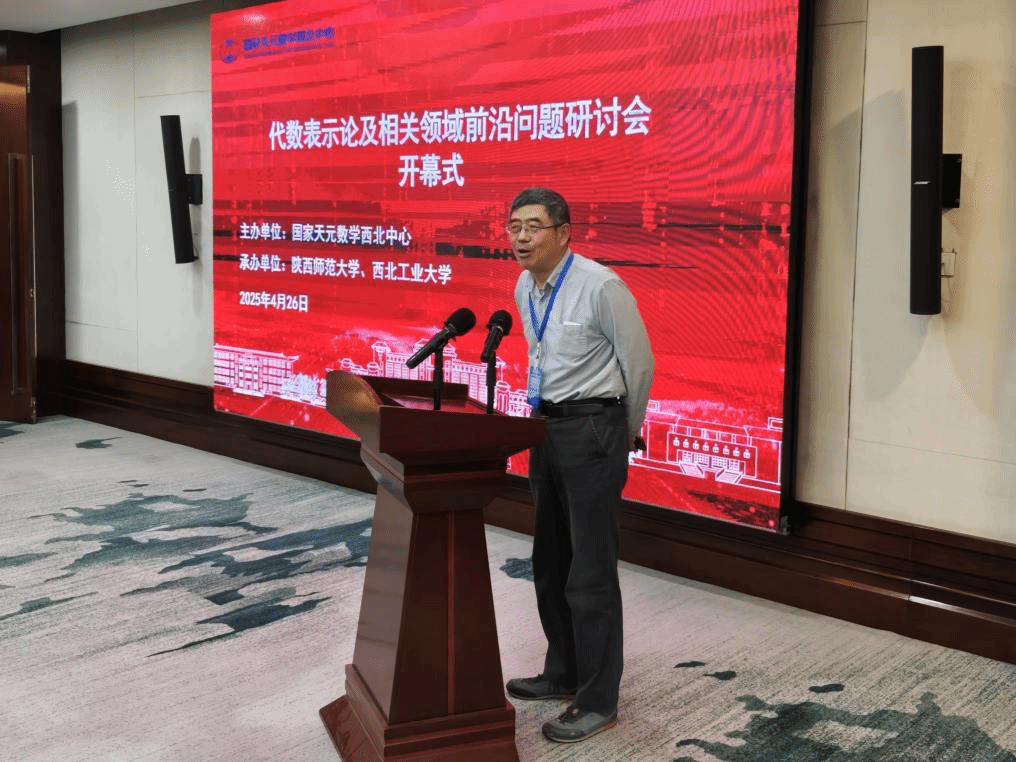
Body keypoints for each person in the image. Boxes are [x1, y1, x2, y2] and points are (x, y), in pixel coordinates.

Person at [504, 187, 654, 744]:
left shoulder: (600, 285)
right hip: (544, 427)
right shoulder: (524, 285)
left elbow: (639, 363)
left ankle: (597, 700)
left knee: (590, 572)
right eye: (514, 226)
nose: (521, 237)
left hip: (594, 427)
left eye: (533, 226)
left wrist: (622, 432)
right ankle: (563, 672)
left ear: (564, 232)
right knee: (550, 561)